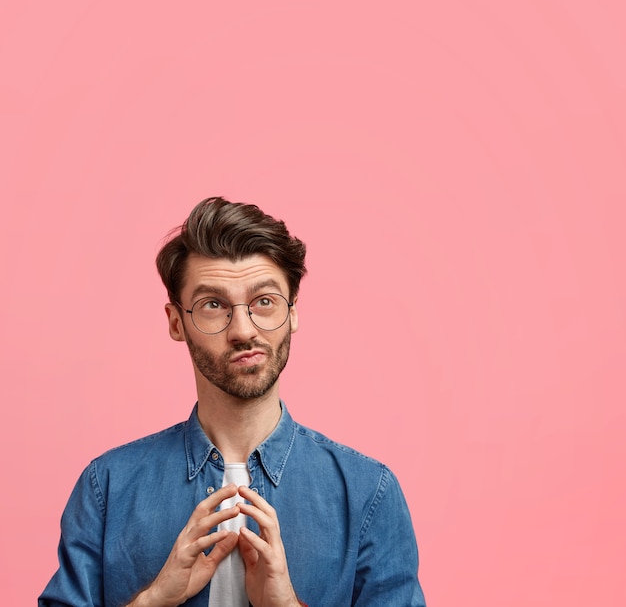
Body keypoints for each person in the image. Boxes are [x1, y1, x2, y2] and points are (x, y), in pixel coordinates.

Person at [39, 197, 427, 607]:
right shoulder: (107, 488)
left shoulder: (369, 493)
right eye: (213, 305)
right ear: (176, 322)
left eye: (264, 301)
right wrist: (152, 600)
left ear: (292, 312)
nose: (243, 330)